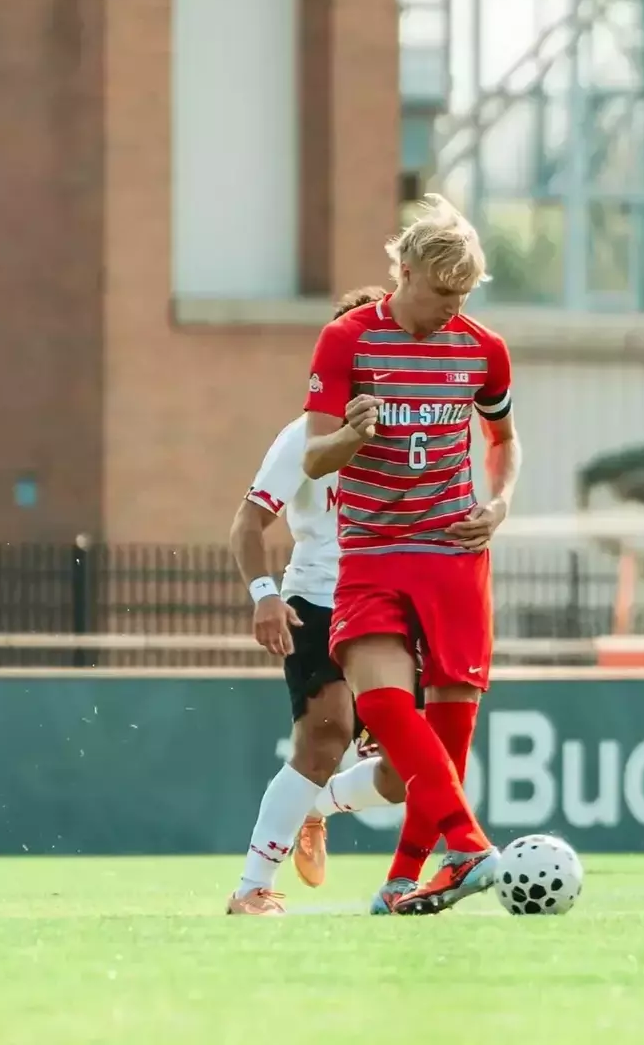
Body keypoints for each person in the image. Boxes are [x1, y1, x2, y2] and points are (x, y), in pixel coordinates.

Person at [301, 195, 521, 916]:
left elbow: (503, 439)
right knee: (387, 706)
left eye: (464, 294)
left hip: (454, 554)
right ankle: (470, 846)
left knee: (448, 740)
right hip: (373, 552)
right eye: (440, 292)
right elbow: (314, 457)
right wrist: (351, 438)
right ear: (403, 273)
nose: (451, 307)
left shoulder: (483, 349)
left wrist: (500, 501)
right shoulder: (347, 340)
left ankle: (403, 879)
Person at [226, 286, 409, 916]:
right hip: (319, 601)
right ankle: (252, 888)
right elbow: (247, 524)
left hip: (389, 609)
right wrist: (264, 595)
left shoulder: (411, 434)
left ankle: (318, 808)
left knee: (404, 773)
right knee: (324, 739)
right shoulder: (302, 439)